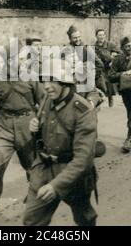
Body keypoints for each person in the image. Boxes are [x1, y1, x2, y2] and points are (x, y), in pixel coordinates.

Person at [23, 58, 98, 226]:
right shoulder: (47, 101)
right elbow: (44, 141)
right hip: (44, 169)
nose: (47, 86)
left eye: (53, 80)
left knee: (84, 218)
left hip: (72, 175)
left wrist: (56, 186)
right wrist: (35, 131)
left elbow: (83, 160)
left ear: (65, 82)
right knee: (32, 220)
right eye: (45, 81)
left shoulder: (83, 111)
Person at [0, 40, 44, 226]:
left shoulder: (31, 77)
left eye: (24, 58)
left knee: (34, 168)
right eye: (19, 58)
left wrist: (39, 123)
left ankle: (35, 202)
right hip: (4, 126)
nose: (23, 62)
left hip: (27, 125)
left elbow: (44, 103)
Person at [94, 29, 120, 107]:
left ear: (105, 36)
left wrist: (114, 56)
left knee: (109, 84)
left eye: (103, 35)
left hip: (108, 67)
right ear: (96, 36)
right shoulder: (94, 47)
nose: (101, 37)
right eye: (99, 35)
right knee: (100, 84)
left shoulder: (110, 45)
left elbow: (120, 53)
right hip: (99, 68)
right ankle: (99, 99)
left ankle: (110, 99)